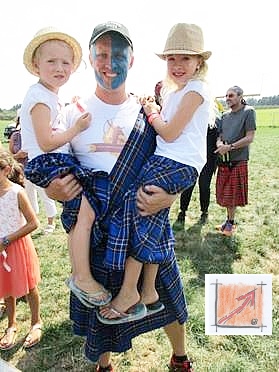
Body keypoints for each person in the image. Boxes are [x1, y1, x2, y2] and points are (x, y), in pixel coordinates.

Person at [46, 21, 198, 372]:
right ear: (89, 59)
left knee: (170, 300)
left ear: (131, 60)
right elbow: (52, 166)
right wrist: (51, 189)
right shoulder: (71, 113)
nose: (109, 62)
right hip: (100, 235)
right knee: (102, 313)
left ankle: (179, 356)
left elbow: (181, 160)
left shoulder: (151, 112)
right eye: (101, 54)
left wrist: (171, 197)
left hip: (146, 224)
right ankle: (104, 364)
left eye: (118, 54)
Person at [98, 22, 212, 325]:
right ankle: (148, 290)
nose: (177, 64)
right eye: (172, 58)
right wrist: (153, 103)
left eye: (185, 58)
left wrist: (151, 112)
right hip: (170, 161)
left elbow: (170, 132)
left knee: (137, 210)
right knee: (154, 217)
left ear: (199, 62)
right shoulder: (180, 91)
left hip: (175, 162)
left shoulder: (196, 90)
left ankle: (128, 293)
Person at [20, 27, 111, 307]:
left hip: (52, 160)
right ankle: (81, 275)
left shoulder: (48, 95)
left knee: (82, 209)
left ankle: (80, 271)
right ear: (36, 65)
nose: (59, 67)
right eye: (51, 61)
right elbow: (47, 142)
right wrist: (77, 128)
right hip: (50, 161)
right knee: (85, 209)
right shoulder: (39, 96)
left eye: (65, 62)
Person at [0, 151, 42, 350]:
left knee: (29, 287)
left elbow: (34, 223)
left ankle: (36, 322)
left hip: (17, 246)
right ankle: (11, 324)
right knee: (6, 288)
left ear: (6, 170)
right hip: (0, 249)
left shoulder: (17, 192)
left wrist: (7, 239)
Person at [215, 85, 256, 236]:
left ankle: (231, 224)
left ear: (240, 96)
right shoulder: (224, 115)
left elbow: (249, 137)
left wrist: (230, 147)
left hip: (239, 159)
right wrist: (219, 144)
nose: (227, 99)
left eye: (231, 96)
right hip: (224, 160)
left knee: (233, 195)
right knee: (226, 193)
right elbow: (220, 135)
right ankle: (228, 221)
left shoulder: (249, 112)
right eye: (226, 96)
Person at [9, 109, 58, 234]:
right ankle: (32, 222)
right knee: (29, 198)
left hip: (38, 170)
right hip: (22, 172)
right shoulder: (15, 136)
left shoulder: (36, 133)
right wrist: (18, 155)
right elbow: (10, 156)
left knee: (45, 196)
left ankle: (51, 223)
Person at [176, 100, 220, 225]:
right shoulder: (192, 119)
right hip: (193, 158)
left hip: (209, 160)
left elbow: (219, 138)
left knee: (204, 186)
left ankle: (204, 212)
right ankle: (182, 211)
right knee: (188, 186)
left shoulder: (215, 121)